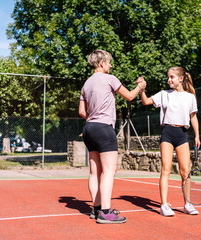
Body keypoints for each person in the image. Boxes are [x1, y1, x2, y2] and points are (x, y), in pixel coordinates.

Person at [79, 49, 146, 224]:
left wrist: (93, 121)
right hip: (103, 128)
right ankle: (106, 212)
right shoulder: (110, 79)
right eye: (109, 62)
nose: (111, 65)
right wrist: (140, 87)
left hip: (89, 128)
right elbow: (130, 96)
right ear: (101, 63)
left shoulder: (86, 84)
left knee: (94, 172)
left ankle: (96, 209)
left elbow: (81, 111)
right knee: (109, 171)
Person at [140, 67, 201, 217]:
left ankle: (187, 204)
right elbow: (146, 101)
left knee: (185, 171)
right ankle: (164, 205)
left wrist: (197, 136)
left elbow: (193, 117)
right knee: (166, 169)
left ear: (181, 78)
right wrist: (141, 89)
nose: (169, 80)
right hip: (167, 133)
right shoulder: (164, 94)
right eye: (168, 77)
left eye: (172, 77)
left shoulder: (190, 97)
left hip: (182, 135)